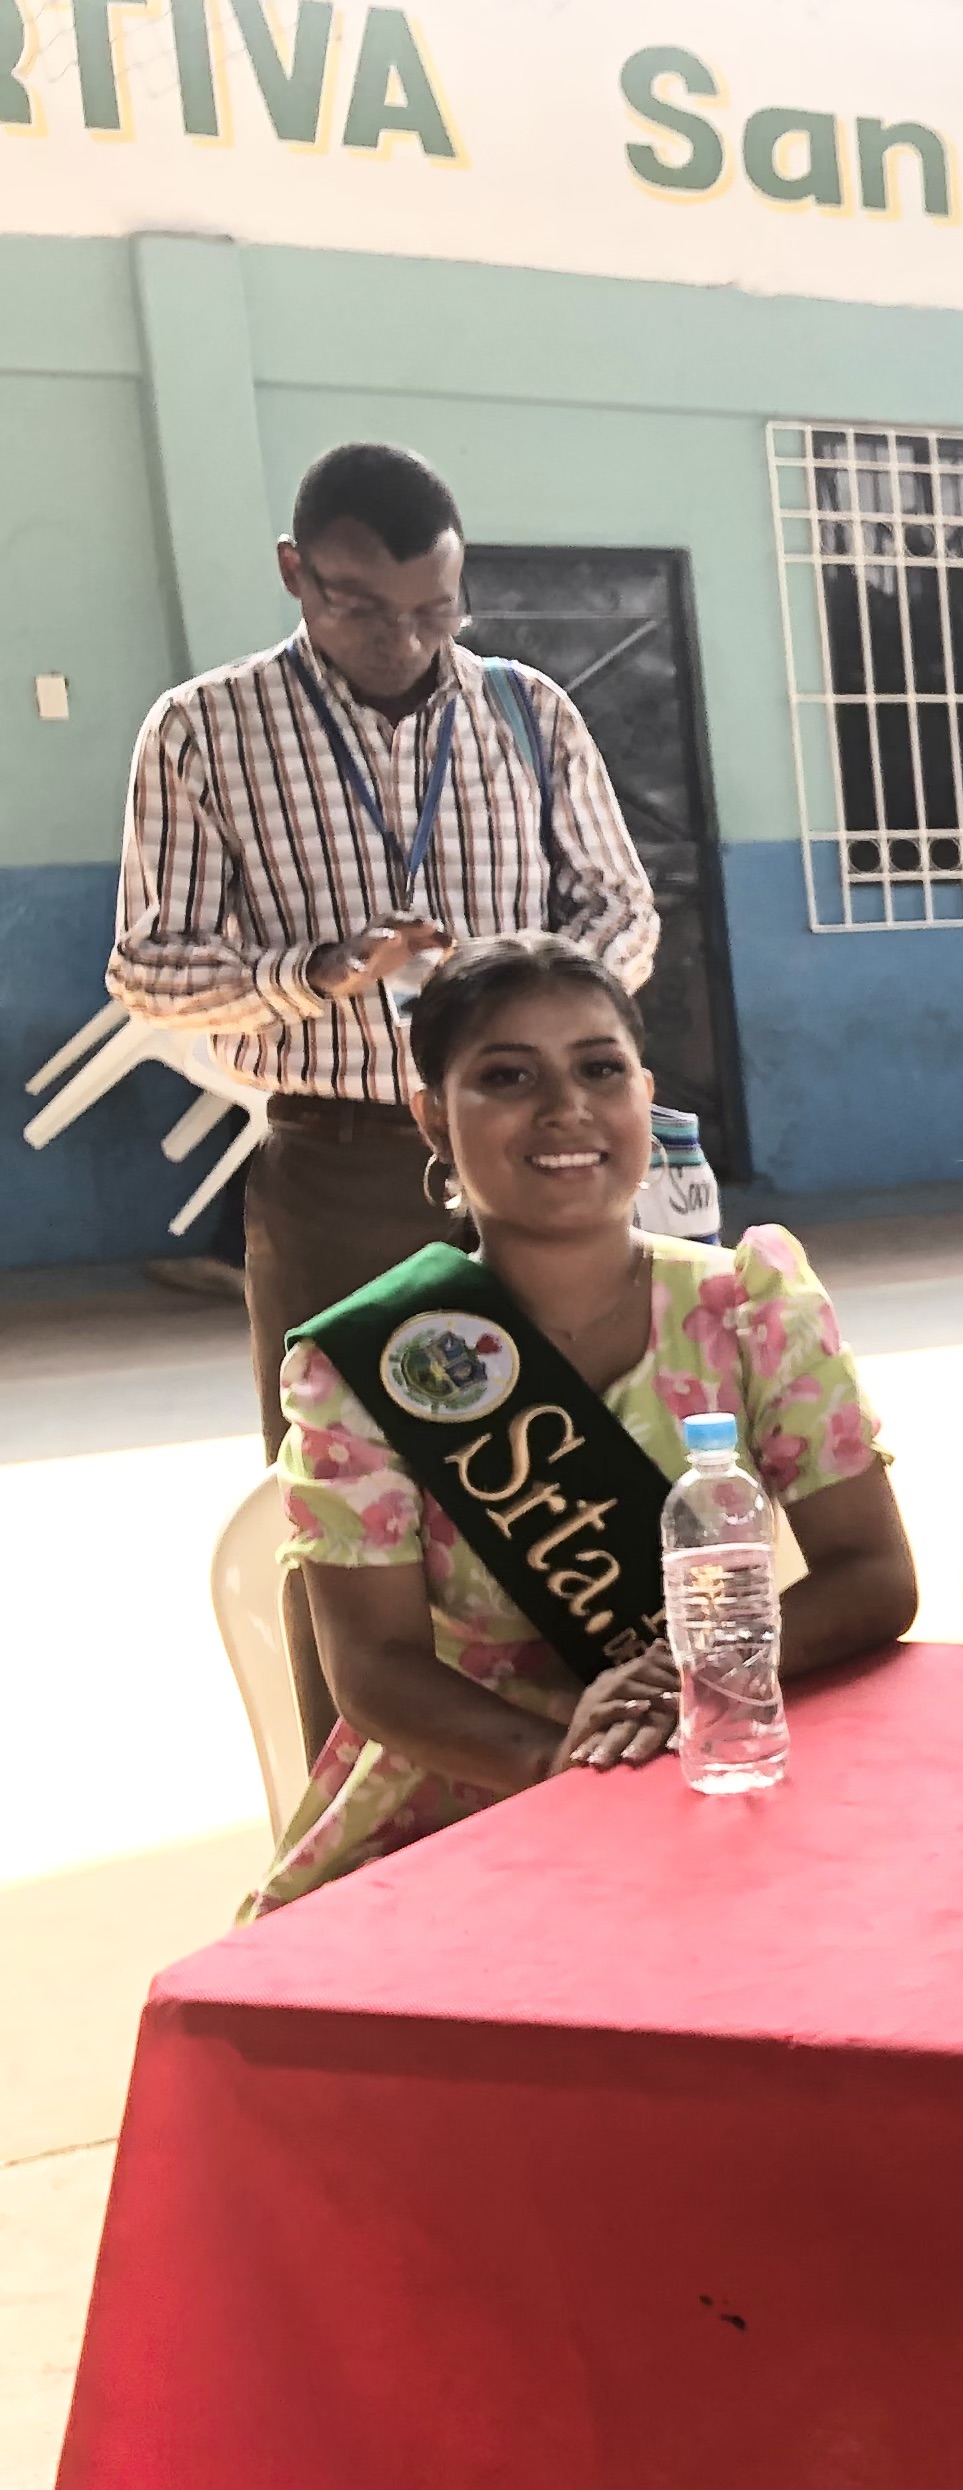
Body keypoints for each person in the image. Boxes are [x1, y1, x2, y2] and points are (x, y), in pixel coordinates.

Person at [112, 440, 658, 1758]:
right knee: (346, 1508)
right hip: (343, 1162)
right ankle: (362, 1808)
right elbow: (149, 966)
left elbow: (623, 911)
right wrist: (316, 971)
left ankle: (608, 1760)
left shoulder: (528, 712)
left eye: (436, 610)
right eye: (363, 607)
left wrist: (527, 997)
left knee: (574, 1476)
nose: (405, 641)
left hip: (536, 1155)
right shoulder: (204, 730)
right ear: (295, 574)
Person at [261, 934, 914, 1911]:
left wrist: (684, 1681)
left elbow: (873, 1576)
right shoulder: (371, 1362)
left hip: (719, 1765)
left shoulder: (749, 1305)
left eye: (600, 1069)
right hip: (466, 1814)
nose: (565, 1107)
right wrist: (561, 1759)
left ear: (645, 1097)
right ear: (433, 1118)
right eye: (507, 1076)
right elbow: (372, 1669)